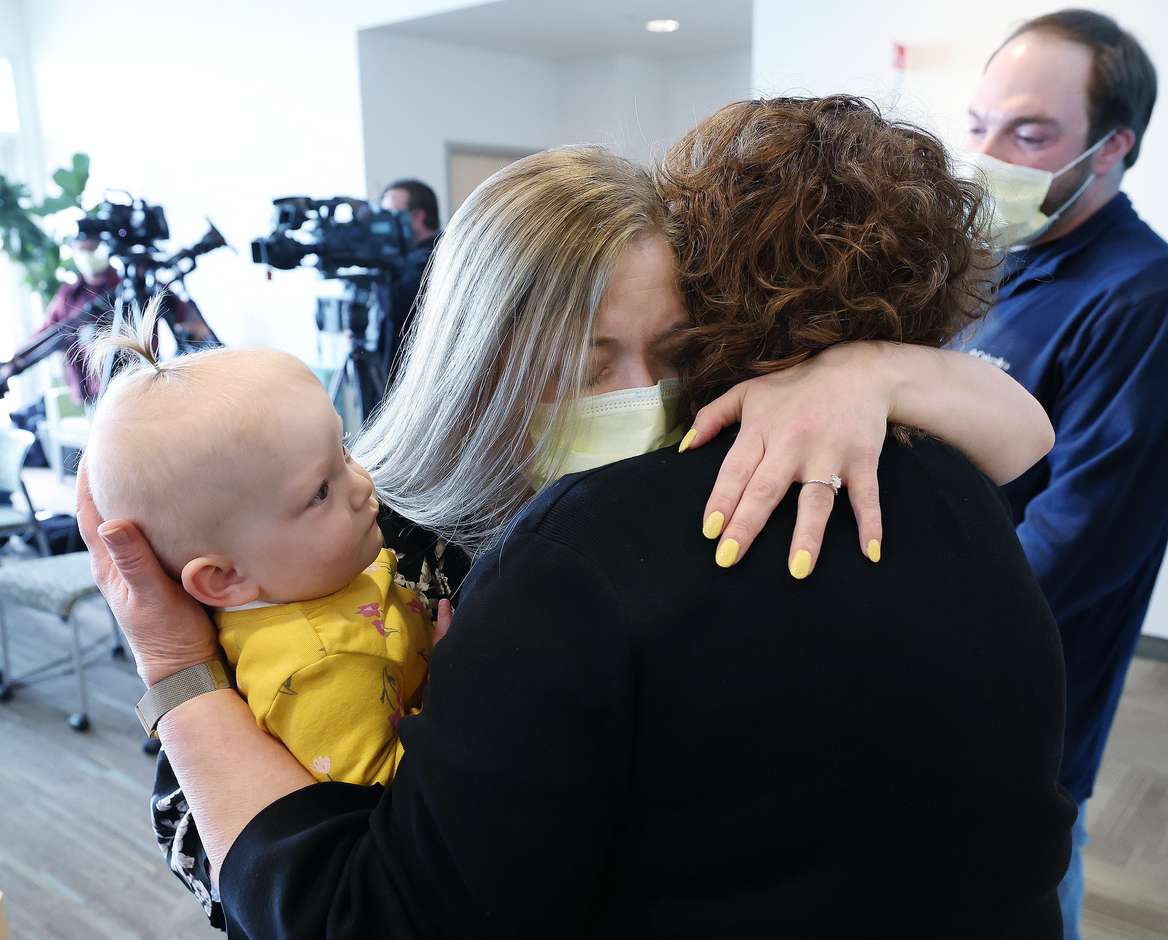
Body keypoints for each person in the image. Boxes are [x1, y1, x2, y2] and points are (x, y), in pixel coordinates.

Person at [83, 99, 1071, 936]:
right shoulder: (341, 524)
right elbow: (207, 828)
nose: (638, 390)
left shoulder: (708, 480)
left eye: (673, 349)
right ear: (486, 353)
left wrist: (867, 371)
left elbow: (1024, 439)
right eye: (586, 358)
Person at [961, 12, 1168, 936]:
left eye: (1031, 134)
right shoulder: (993, 270)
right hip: (919, 688)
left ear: (1113, 146)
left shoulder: (1152, 303)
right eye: (980, 124)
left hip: (1016, 716)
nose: (992, 154)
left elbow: (1068, 554)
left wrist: (886, 632)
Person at [84, 317, 435, 788]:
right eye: (319, 493)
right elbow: (396, 798)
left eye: (344, 452)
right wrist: (454, 687)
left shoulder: (313, 574)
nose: (362, 485)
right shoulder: (320, 670)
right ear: (225, 578)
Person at [31, 235, 119, 403]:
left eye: (92, 249)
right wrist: (14, 362)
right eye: (82, 250)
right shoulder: (68, 295)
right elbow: (43, 335)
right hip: (95, 396)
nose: (87, 255)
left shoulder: (128, 285)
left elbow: (183, 316)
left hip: (135, 384)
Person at [377, 178, 442, 371]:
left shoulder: (436, 258)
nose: (384, 224)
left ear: (417, 217)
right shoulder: (401, 258)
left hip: (418, 373)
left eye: (391, 215)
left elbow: (396, 307)